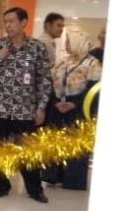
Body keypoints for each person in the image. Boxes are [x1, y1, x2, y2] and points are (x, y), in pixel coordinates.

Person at [0, 6, 53, 202]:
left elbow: (44, 80)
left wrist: (41, 107)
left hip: (25, 110)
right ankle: (0, 185)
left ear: (23, 23)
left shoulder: (37, 47)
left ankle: (34, 189)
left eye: (11, 21)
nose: (7, 25)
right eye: (5, 22)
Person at [42, 31, 102, 189]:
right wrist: (56, 102)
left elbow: (93, 89)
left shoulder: (92, 64)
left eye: (69, 41)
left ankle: (73, 180)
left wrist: (75, 103)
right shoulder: (64, 62)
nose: (67, 44)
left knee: (75, 144)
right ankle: (53, 176)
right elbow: (50, 83)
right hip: (58, 107)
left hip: (79, 108)